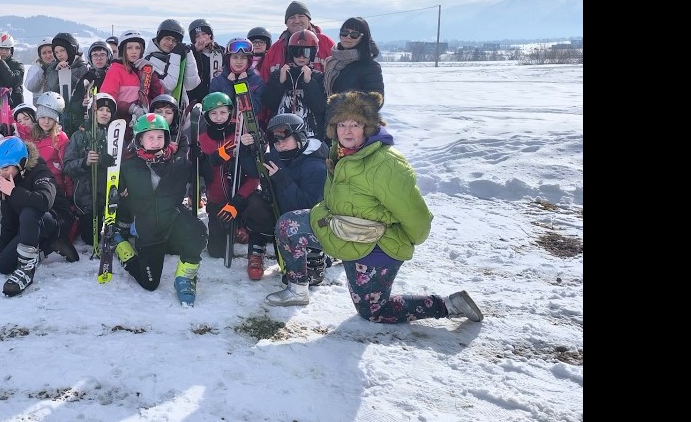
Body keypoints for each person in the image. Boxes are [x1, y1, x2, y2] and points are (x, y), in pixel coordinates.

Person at [264, 91, 484, 324]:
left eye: (355, 124)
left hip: (375, 244)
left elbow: (416, 216)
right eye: (342, 124)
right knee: (289, 225)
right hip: (342, 230)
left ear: (367, 127)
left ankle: (449, 304)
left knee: (373, 311)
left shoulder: (386, 163)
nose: (347, 131)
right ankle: (297, 291)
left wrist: (398, 244)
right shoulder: (339, 153)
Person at [113, 114, 208, 306]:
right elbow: (113, 190)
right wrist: (108, 169)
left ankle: (185, 278)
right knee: (149, 283)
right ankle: (122, 247)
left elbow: (208, 172)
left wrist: (202, 159)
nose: (156, 142)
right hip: (147, 227)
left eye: (160, 137)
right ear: (140, 140)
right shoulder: (129, 167)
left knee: (197, 231)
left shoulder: (179, 164)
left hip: (172, 218)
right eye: (150, 137)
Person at [195, 93, 271, 278]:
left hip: (242, 197)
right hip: (218, 200)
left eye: (223, 112)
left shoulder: (241, 131)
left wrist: (236, 202)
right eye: (214, 114)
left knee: (256, 205)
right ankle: (235, 228)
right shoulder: (203, 138)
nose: (219, 117)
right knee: (216, 251)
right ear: (207, 116)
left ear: (230, 112)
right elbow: (201, 171)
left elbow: (255, 176)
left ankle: (248, 229)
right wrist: (213, 159)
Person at [251, 113, 327, 285]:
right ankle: (262, 243)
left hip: (311, 222)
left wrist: (281, 178)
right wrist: (251, 147)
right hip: (283, 217)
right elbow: (255, 167)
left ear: (300, 137)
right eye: (276, 141)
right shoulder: (280, 155)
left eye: (285, 139)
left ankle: (315, 257)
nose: (280, 145)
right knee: (254, 202)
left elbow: (308, 207)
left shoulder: (316, 166)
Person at [0, 138, 71, 297]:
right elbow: (8, 220)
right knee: (2, 265)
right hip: (30, 226)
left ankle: (26, 270)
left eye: (6, 167)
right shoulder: (9, 179)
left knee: (30, 211)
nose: (2, 173)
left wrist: (13, 192)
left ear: (21, 162)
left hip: (56, 220)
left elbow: (45, 201)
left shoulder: (40, 171)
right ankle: (48, 246)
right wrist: (1, 249)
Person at [62, 93, 118, 251]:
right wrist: (84, 162)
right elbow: (67, 166)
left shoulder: (116, 136)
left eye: (108, 110)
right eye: (101, 109)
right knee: (89, 238)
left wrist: (111, 162)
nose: (105, 113)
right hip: (87, 198)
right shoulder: (79, 136)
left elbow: (124, 166)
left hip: (109, 195)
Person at [29, 91, 78, 261]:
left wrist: (70, 193)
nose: (46, 121)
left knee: (65, 221)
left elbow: (66, 167)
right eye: (42, 117)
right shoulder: (31, 136)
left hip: (56, 187)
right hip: (36, 185)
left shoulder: (61, 139)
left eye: (50, 118)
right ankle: (43, 241)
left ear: (56, 120)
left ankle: (57, 240)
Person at [261, 29, 327, 140]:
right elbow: (268, 103)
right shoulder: (279, 75)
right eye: (297, 52)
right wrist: (280, 82)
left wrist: (309, 83)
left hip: (310, 137)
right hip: (282, 136)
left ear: (312, 54)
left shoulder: (318, 77)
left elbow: (320, 107)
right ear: (291, 53)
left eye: (306, 52)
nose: (301, 57)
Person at [258, 1, 335, 82]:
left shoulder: (325, 43)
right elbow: (264, 83)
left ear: (309, 20)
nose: (297, 21)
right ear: (286, 23)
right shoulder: (275, 49)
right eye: (292, 17)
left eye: (301, 16)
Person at [100, 30, 164, 123]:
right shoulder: (116, 69)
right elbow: (106, 100)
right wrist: (131, 108)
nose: (134, 51)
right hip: (120, 124)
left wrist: (151, 73)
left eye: (137, 48)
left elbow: (158, 95)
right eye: (129, 48)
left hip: (142, 123)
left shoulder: (143, 70)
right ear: (123, 50)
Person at [323, 16, 386, 103]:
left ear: (363, 38)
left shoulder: (370, 66)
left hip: (350, 116)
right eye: (344, 32)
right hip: (327, 115)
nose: (348, 37)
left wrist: (347, 110)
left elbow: (376, 100)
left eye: (354, 34)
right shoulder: (331, 61)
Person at [144, 19, 201, 112]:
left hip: (180, 111)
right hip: (161, 112)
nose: (170, 43)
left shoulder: (177, 57)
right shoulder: (148, 61)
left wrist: (188, 54)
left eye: (174, 40)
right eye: (167, 38)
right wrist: (175, 55)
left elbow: (192, 84)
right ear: (159, 38)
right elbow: (167, 86)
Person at [209, 38, 265, 120]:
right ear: (229, 59)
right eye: (235, 57)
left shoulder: (257, 81)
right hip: (223, 126)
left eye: (243, 58)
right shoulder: (217, 81)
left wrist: (242, 87)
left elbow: (256, 109)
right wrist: (229, 85)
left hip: (247, 128)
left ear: (248, 60)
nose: (239, 61)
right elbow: (216, 109)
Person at [49, 32, 90, 134]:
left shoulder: (83, 67)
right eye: (56, 52)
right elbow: (48, 91)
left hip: (78, 117)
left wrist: (68, 75)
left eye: (62, 50)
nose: (59, 55)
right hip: (61, 117)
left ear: (71, 49)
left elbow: (82, 89)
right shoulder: (53, 68)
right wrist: (57, 73)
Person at [187, 18, 223, 107]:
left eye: (204, 34)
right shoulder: (190, 53)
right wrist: (194, 51)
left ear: (210, 35)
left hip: (217, 97)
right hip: (196, 98)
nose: (201, 38)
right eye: (197, 36)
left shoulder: (222, 52)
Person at [0, 32, 26, 107]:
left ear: (11, 50)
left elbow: (13, 82)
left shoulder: (18, 65)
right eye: (1, 49)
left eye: (7, 49)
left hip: (13, 105)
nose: (4, 52)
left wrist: (0, 62)